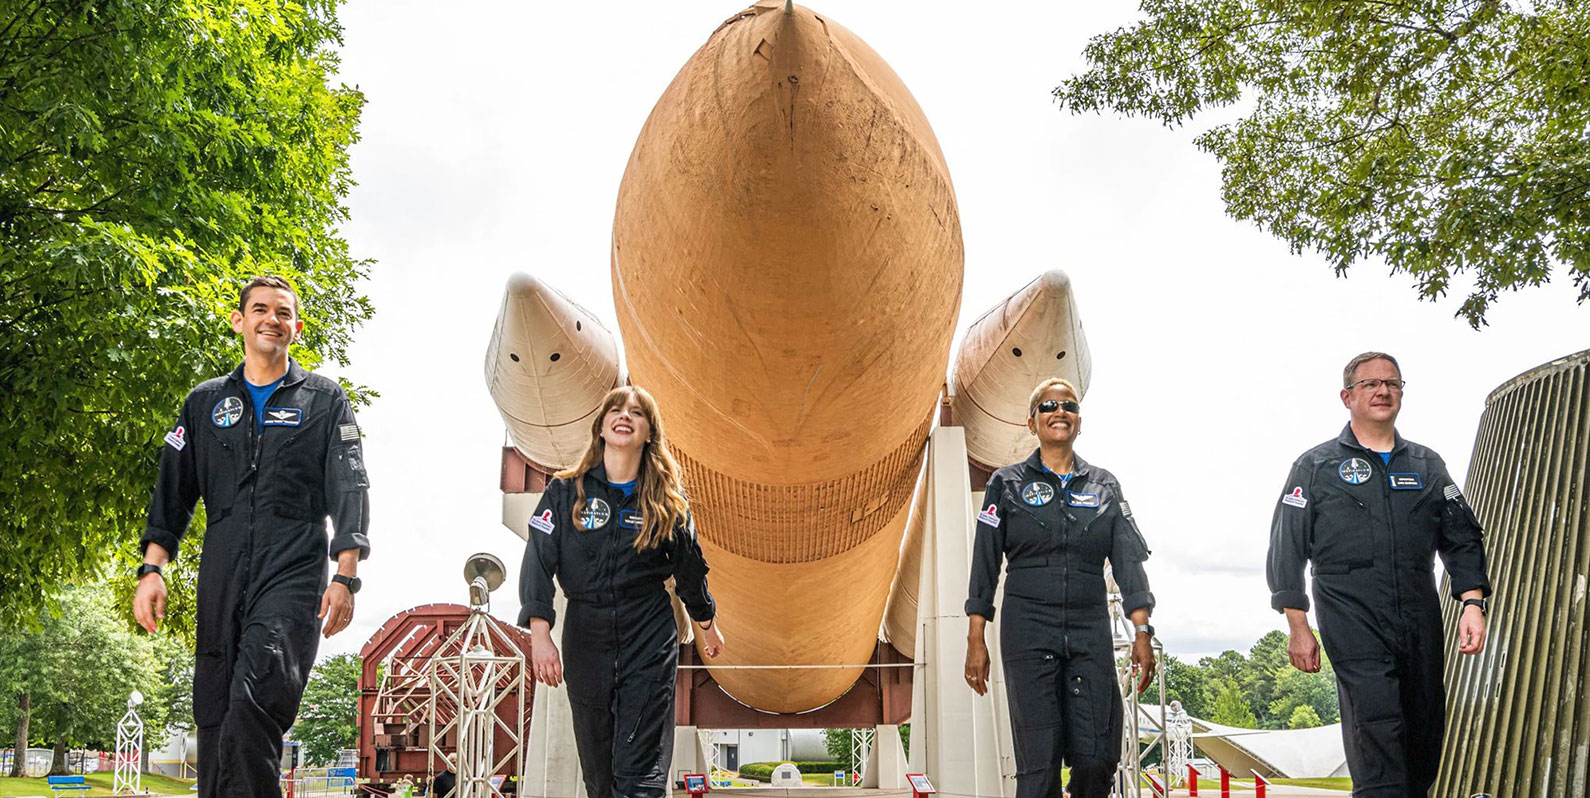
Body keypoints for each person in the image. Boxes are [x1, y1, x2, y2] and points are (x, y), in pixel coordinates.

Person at [132, 275, 370, 798]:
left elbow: (349, 486)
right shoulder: (204, 403)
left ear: (296, 328)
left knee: (252, 701)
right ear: (239, 321)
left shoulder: (324, 401)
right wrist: (153, 570)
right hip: (221, 568)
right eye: (260, 309)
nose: (271, 319)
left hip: (293, 566)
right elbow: (172, 494)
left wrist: (345, 576)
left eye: (283, 313)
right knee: (215, 712)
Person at [1267, 352, 1490, 796]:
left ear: (1402, 394)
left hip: (1419, 614)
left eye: (1392, 383)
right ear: (1347, 396)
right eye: (1370, 384)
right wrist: (1297, 625)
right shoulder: (1315, 467)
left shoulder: (1426, 465)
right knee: (1377, 725)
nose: (1383, 391)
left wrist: (1471, 601)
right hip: (1351, 615)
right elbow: (1286, 547)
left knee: (1423, 732)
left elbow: (1462, 538)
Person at [518, 385, 724, 798]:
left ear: (649, 432)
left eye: (637, 412)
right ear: (601, 427)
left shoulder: (668, 503)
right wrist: (540, 635)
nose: (625, 415)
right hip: (585, 633)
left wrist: (706, 624)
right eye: (616, 409)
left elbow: (689, 570)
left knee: (639, 773)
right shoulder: (565, 493)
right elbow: (539, 559)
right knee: (599, 774)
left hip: (647, 631)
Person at [964, 377, 1156, 798]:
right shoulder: (1006, 483)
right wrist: (976, 636)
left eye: (1068, 406)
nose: (1059, 412)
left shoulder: (1104, 486)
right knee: (1040, 759)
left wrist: (1142, 631)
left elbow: (1128, 561)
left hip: (1089, 630)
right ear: (1031, 421)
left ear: (1079, 421)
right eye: (1048, 406)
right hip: (1028, 626)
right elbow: (984, 560)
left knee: (1095, 756)